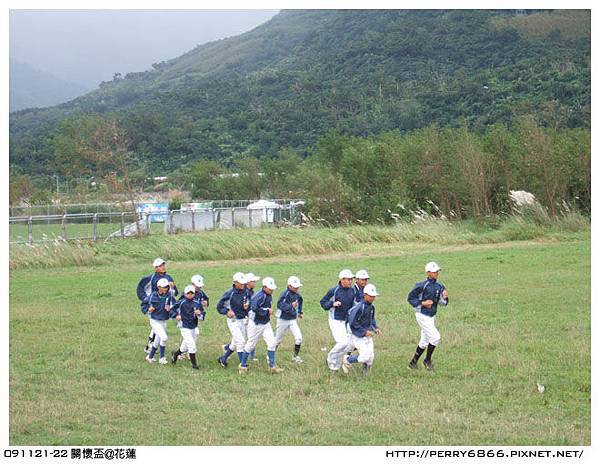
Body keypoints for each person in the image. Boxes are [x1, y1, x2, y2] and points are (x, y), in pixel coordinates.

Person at [407, 261, 449, 371]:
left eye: (437, 271)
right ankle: (427, 360)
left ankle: (413, 363)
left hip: (432, 316)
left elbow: (442, 303)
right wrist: (422, 303)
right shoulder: (421, 285)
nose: (436, 274)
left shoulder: (440, 286)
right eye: (434, 272)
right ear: (428, 273)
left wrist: (445, 297)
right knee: (435, 337)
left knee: (424, 341)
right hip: (422, 315)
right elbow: (410, 298)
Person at [239, 277, 283, 374]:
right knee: (251, 344)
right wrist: (267, 311)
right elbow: (254, 308)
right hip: (255, 324)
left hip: (265, 323)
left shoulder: (269, 295)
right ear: (264, 287)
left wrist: (267, 313)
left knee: (272, 343)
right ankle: (242, 366)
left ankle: (272, 366)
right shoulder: (259, 296)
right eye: (270, 288)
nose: (272, 290)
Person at [137, 258, 178, 353]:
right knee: (157, 324)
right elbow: (140, 288)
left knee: (158, 326)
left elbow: (174, 292)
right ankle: (150, 347)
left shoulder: (168, 277)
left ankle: (150, 346)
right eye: (160, 266)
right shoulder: (151, 278)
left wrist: (172, 287)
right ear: (155, 268)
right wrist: (145, 299)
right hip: (155, 305)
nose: (163, 267)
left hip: (165, 304)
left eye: (163, 265)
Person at [320, 269, 357, 371]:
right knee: (342, 343)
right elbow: (323, 303)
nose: (350, 281)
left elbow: (354, 305)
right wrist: (332, 304)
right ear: (342, 280)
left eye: (351, 279)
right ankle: (330, 359)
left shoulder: (352, 290)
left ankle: (336, 363)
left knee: (350, 344)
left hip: (346, 321)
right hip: (335, 320)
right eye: (348, 279)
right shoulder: (334, 291)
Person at [342, 284, 381, 375]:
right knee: (364, 357)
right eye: (371, 296)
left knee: (371, 357)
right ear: (365, 295)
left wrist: (375, 328)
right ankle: (347, 359)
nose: (372, 298)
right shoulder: (360, 307)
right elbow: (352, 323)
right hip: (358, 335)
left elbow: (371, 319)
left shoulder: (371, 307)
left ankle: (365, 374)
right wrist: (364, 332)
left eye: (374, 296)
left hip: (367, 334)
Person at [216, 272, 250, 367]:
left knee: (234, 343)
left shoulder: (246, 292)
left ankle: (223, 358)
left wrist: (247, 306)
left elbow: (249, 301)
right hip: (233, 320)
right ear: (235, 283)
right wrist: (226, 311)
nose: (243, 284)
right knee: (240, 342)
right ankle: (243, 365)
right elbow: (219, 307)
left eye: (244, 283)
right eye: (241, 283)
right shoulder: (229, 293)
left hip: (243, 320)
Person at [141, 277, 176, 364]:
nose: (166, 288)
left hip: (163, 320)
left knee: (157, 339)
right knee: (164, 338)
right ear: (159, 287)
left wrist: (170, 309)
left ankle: (150, 357)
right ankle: (162, 358)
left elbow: (175, 306)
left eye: (167, 287)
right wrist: (149, 309)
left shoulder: (169, 296)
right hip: (154, 321)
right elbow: (143, 304)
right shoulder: (153, 295)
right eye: (164, 287)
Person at [171, 285, 203, 369]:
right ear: (185, 294)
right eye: (188, 293)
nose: (190, 295)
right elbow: (172, 309)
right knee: (191, 345)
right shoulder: (181, 302)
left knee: (185, 346)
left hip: (193, 326)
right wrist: (176, 315)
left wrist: (199, 314)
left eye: (191, 293)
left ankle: (176, 354)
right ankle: (194, 365)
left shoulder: (197, 303)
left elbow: (202, 315)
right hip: (184, 326)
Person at [274, 276, 304, 363]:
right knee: (278, 340)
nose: (297, 288)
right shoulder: (285, 294)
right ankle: (271, 355)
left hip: (292, 320)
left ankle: (295, 357)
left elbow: (300, 302)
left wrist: (299, 312)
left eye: (297, 286)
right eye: (295, 286)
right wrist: (290, 306)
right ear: (289, 286)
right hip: (282, 320)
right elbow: (279, 305)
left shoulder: (298, 295)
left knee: (299, 338)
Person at [244, 272, 261, 362]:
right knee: (250, 337)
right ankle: (251, 357)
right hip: (245, 317)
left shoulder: (251, 291)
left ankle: (252, 356)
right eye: (253, 281)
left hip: (249, 316)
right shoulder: (246, 292)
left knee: (251, 336)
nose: (255, 283)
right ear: (248, 282)